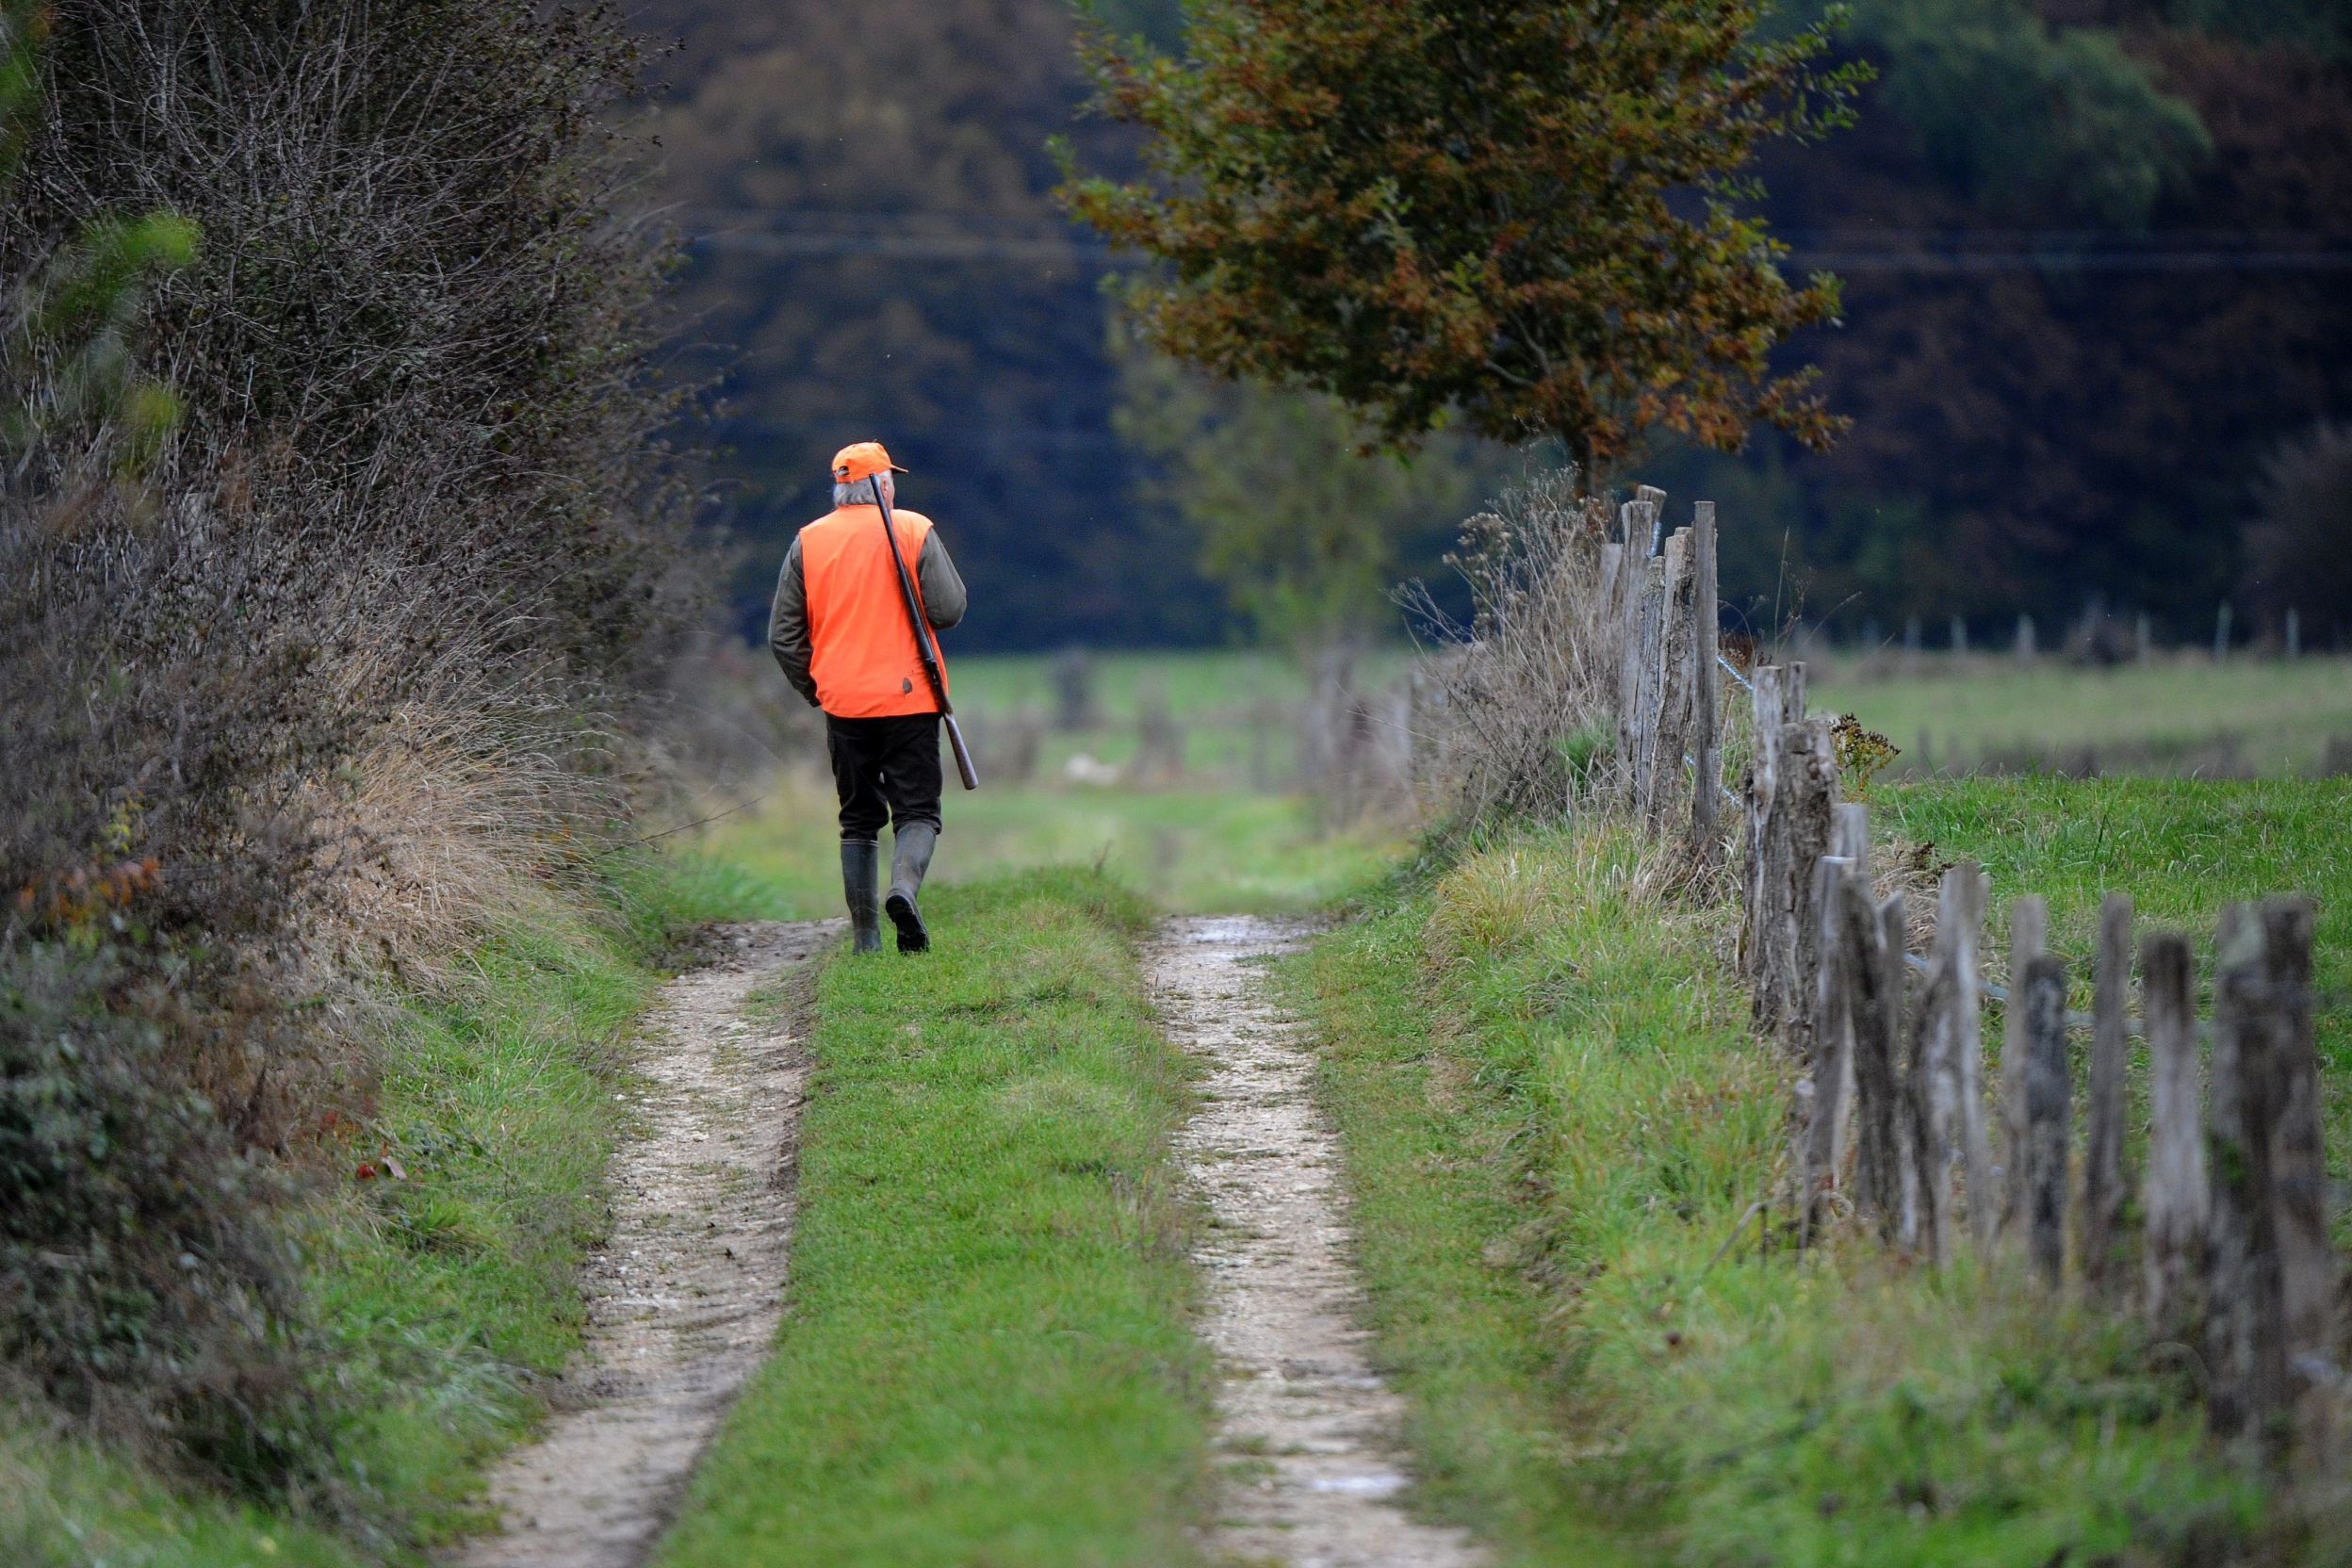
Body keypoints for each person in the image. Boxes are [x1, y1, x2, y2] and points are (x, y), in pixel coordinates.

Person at [769, 442, 967, 953]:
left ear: (841, 489)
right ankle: (903, 890)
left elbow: (783, 636)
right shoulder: (911, 528)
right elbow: (948, 610)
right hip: (911, 700)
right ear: (882, 486)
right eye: (890, 479)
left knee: (858, 819)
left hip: (844, 706)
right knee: (918, 812)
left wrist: (817, 690)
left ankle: (865, 940)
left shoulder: (807, 542)